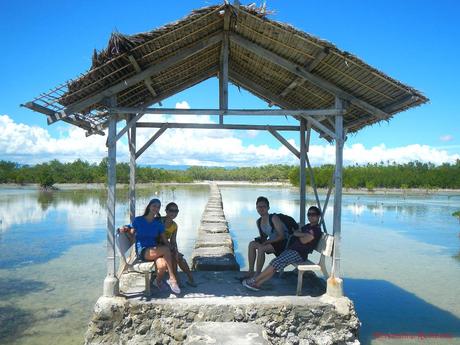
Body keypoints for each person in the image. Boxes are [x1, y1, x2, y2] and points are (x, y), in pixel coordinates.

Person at [242, 206, 322, 291]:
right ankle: (257, 284)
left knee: (275, 263)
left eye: (313, 214)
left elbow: (303, 240)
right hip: (292, 251)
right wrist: (301, 234)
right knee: (275, 263)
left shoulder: (316, 230)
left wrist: (299, 234)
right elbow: (296, 233)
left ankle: (254, 280)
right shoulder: (307, 226)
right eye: (309, 214)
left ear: (318, 216)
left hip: (299, 254)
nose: (310, 216)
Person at [119, 198, 180, 294]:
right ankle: (172, 278)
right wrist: (125, 228)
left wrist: (174, 249)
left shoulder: (158, 224)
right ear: (149, 206)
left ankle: (157, 282)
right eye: (154, 206)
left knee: (162, 266)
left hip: (155, 251)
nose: (156, 208)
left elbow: (165, 240)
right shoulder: (139, 220)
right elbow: (130, 227)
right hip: (143, 251)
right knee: (166, 250)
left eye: (158, 207)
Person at [244, 196, 289, 278]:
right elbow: (264, 237)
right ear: (256, 208)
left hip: (283, 244)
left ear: (268, 207)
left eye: (264, 206)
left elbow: (282, 236)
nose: (261, 209)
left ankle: (257, 274)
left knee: (261, 248)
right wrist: (259, 240)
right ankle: (250, 271)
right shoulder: (259, 221)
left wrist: (268, 241)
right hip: (272, 243)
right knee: (251, 244)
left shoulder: (273, 218)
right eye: (259, 207)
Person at [159, 202, 196, 287]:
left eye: (176, 211)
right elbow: (162, 239)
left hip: (167, 247)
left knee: (180, 258)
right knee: (174, 257)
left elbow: (173, 241)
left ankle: (191, 279)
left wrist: (176, 251)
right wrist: (174, 251)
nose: (174, 213)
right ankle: (177, 280)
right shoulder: (160, 221)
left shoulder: (174, 226)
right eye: (171, 210)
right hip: (157, 247)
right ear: (166, 211)